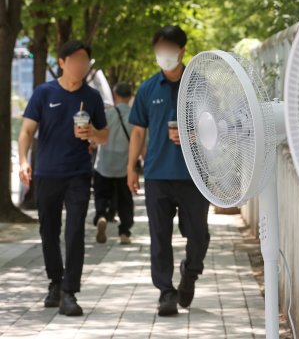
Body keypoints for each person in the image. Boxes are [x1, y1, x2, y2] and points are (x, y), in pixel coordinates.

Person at [18, 40, 109, 316]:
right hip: (47, 173)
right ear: (62, 62)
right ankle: (55, 282)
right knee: (49, 231)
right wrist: (23, 161)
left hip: (79, 174)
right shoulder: (44, 93)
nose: (81, 66)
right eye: (76, 60)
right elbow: (25, 131)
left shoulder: (91, 97)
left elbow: (104, 135)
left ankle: (70, 291)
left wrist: (92, 133)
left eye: (85, 61)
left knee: (75, 232)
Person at [127, 25, 210, 316]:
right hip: (158, 175)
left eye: (169, 49)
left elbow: (218, 127)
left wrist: (195, 135)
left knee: (198, 234)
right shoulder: (148, 89)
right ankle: (165, 292)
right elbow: (138, 132)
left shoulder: (200, 86)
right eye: (159, 49)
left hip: (194, 176)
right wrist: (131, 169)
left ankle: (191, 272)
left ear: (183, 50)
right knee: (159, 236)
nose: (164, 55)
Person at [92, 82, 135, 245]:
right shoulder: (134, 116)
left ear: (115, 96)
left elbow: (96, 136)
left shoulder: (107, 115)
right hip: (125, 165)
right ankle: (124, 231)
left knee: (101, 195)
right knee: (125, 199)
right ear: (130, 96)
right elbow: (142, 141)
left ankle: (101, 216)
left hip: (104, 163)